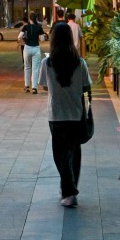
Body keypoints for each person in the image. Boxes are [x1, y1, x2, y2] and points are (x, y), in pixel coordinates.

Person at [38, 22, 92, 207]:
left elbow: (44, 86)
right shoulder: (80, 62)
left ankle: (69, 191)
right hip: (76, 114)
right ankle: (69, 188)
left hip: (57, 115)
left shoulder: (47, 63)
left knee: (60, 155)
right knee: (74, 153)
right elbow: (86, 86)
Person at [19, 13, 47, 93]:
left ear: (29, 19)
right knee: (35, 69)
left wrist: (25, 39)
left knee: (27, 67)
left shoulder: (25, 27)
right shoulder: (39, 27)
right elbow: (42, 39)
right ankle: (34, 88)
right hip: (36, 48)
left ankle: (27, 86)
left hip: (27, 48)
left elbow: (19, 37)